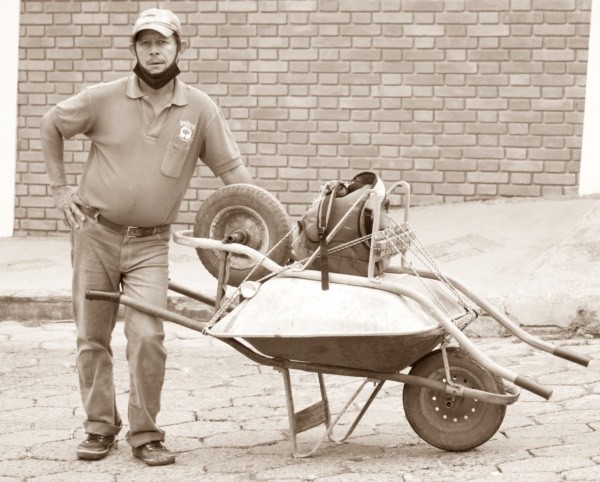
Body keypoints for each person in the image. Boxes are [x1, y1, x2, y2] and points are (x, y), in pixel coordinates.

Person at [41, 8, 253, 466]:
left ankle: (146, 433)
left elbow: (231, 171)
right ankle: (99, 427)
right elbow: (51, 125)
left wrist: (261, 220)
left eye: (163, 42)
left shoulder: (199, 108)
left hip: (151, 245)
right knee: (91, 336)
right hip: (94, 235)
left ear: (180, 47)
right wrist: (60, 190)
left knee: (148, 335)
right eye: (145, 43)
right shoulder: (103, 99)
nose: (154, 51)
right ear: (134, 49)